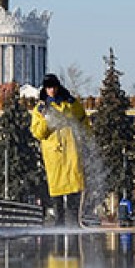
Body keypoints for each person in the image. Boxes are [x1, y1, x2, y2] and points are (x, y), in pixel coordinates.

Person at [30, 74, 90, 226]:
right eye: (48, 87)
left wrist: (88, 138)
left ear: (58, 86)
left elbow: (83, 120)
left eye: (54, 87)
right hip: (54, 152)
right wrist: (45, 120)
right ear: (45, 89)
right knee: (56, 187)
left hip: (71, 150)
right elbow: (38, 132)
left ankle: (74, 221)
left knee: (74, 184)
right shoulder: (40, 109)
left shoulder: (70, 103)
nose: (52, 90)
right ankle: (59, 221)